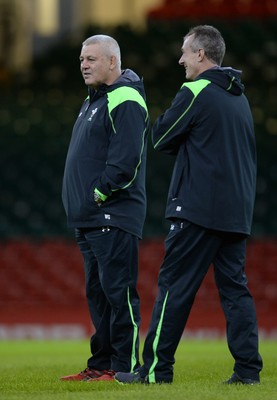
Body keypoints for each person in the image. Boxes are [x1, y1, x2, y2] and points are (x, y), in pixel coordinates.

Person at [115, 25, 263, 385]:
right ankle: (247, 371)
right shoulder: (239, 97)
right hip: (236, 211)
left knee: (174, 289)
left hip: (196, 210)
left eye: (185, 51)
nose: (180, 59)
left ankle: (155, 371)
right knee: (236, 292)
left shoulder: (195, 90)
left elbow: (161, 136)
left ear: (201, 54)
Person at [61, 34, 149, 381]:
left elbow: (126, 161)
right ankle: (101, 364)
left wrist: (98, 194)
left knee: (118, 294)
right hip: (90, 217)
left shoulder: (124, 97)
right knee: (99, 296)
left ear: (113, 61)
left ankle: (124, 367)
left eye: (91, 59)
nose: (83, 64)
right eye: (82, 59)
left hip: (112, 214)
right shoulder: (94, 100)